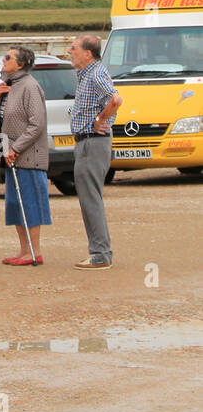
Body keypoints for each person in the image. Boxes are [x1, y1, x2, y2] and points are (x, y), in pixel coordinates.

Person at [0, 46, 52, 265]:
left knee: (30, 202)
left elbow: (37, 123)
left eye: (8, 57)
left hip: (27, 156)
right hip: (8, 153)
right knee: (15, 205)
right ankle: (23, 250)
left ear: (21, 64)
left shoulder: (30, 86)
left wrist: (16, 148)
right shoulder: (8, 84)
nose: (3, 59)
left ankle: (35, 251)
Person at [67, 33, 122, 270]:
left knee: (91, 198)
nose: (70, 51)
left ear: (88, 53)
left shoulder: (96, 73)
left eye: (74, 48)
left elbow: (116, 99)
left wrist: (101, 118)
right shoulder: (87, 74)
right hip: (86, 142)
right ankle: (98, 251)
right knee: (89, 197)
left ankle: (100, 253)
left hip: (92, 142)